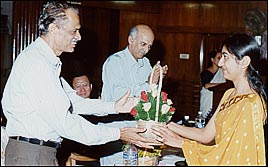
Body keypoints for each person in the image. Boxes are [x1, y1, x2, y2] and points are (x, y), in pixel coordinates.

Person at [1, 1, 160, 166]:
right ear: (54, 29)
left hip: (39, 153)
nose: (79, 36)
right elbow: (65, 123)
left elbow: (74, 103)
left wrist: (114, 107)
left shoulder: (47, 62)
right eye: (74, 31)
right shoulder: (37, 64)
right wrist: (117, 133)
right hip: (31, 155)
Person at [152, 33, 267, 166]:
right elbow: (206, 134)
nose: (220, 62)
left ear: (244, 62)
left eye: (225, 57)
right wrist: (166, 125)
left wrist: (180, 143)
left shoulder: (250, 103)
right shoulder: (229, 94)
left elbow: (231, 155)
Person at [100, 24, 168, 165]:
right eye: (143, 44)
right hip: (116, 126)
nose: (146, 50)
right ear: (131, 39)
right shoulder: (114, 62)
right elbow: (119, 98)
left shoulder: (146, 63)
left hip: (137, 125)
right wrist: (149, 83)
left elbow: (150, 99)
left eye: (149, 46)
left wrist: (157, 82)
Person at [199, 49, 226, 120]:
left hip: (218, 99)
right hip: (208, 98)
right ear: (212, 59)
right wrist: (222, 85)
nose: (221, 60)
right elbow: (206, 85)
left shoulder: (223, 72)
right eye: (218, 58)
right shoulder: (206, 73)